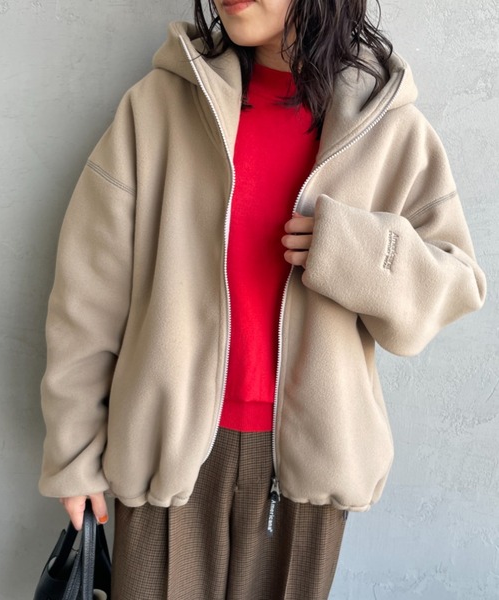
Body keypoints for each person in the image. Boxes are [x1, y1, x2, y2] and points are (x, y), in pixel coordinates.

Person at [38, 0, 486, 597]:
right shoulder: (159, 107)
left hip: (308, 474)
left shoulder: (387, 126)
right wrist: (75, 454)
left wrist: (354, 252)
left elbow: (457, 283)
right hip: (164, 459)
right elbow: (87, 297)